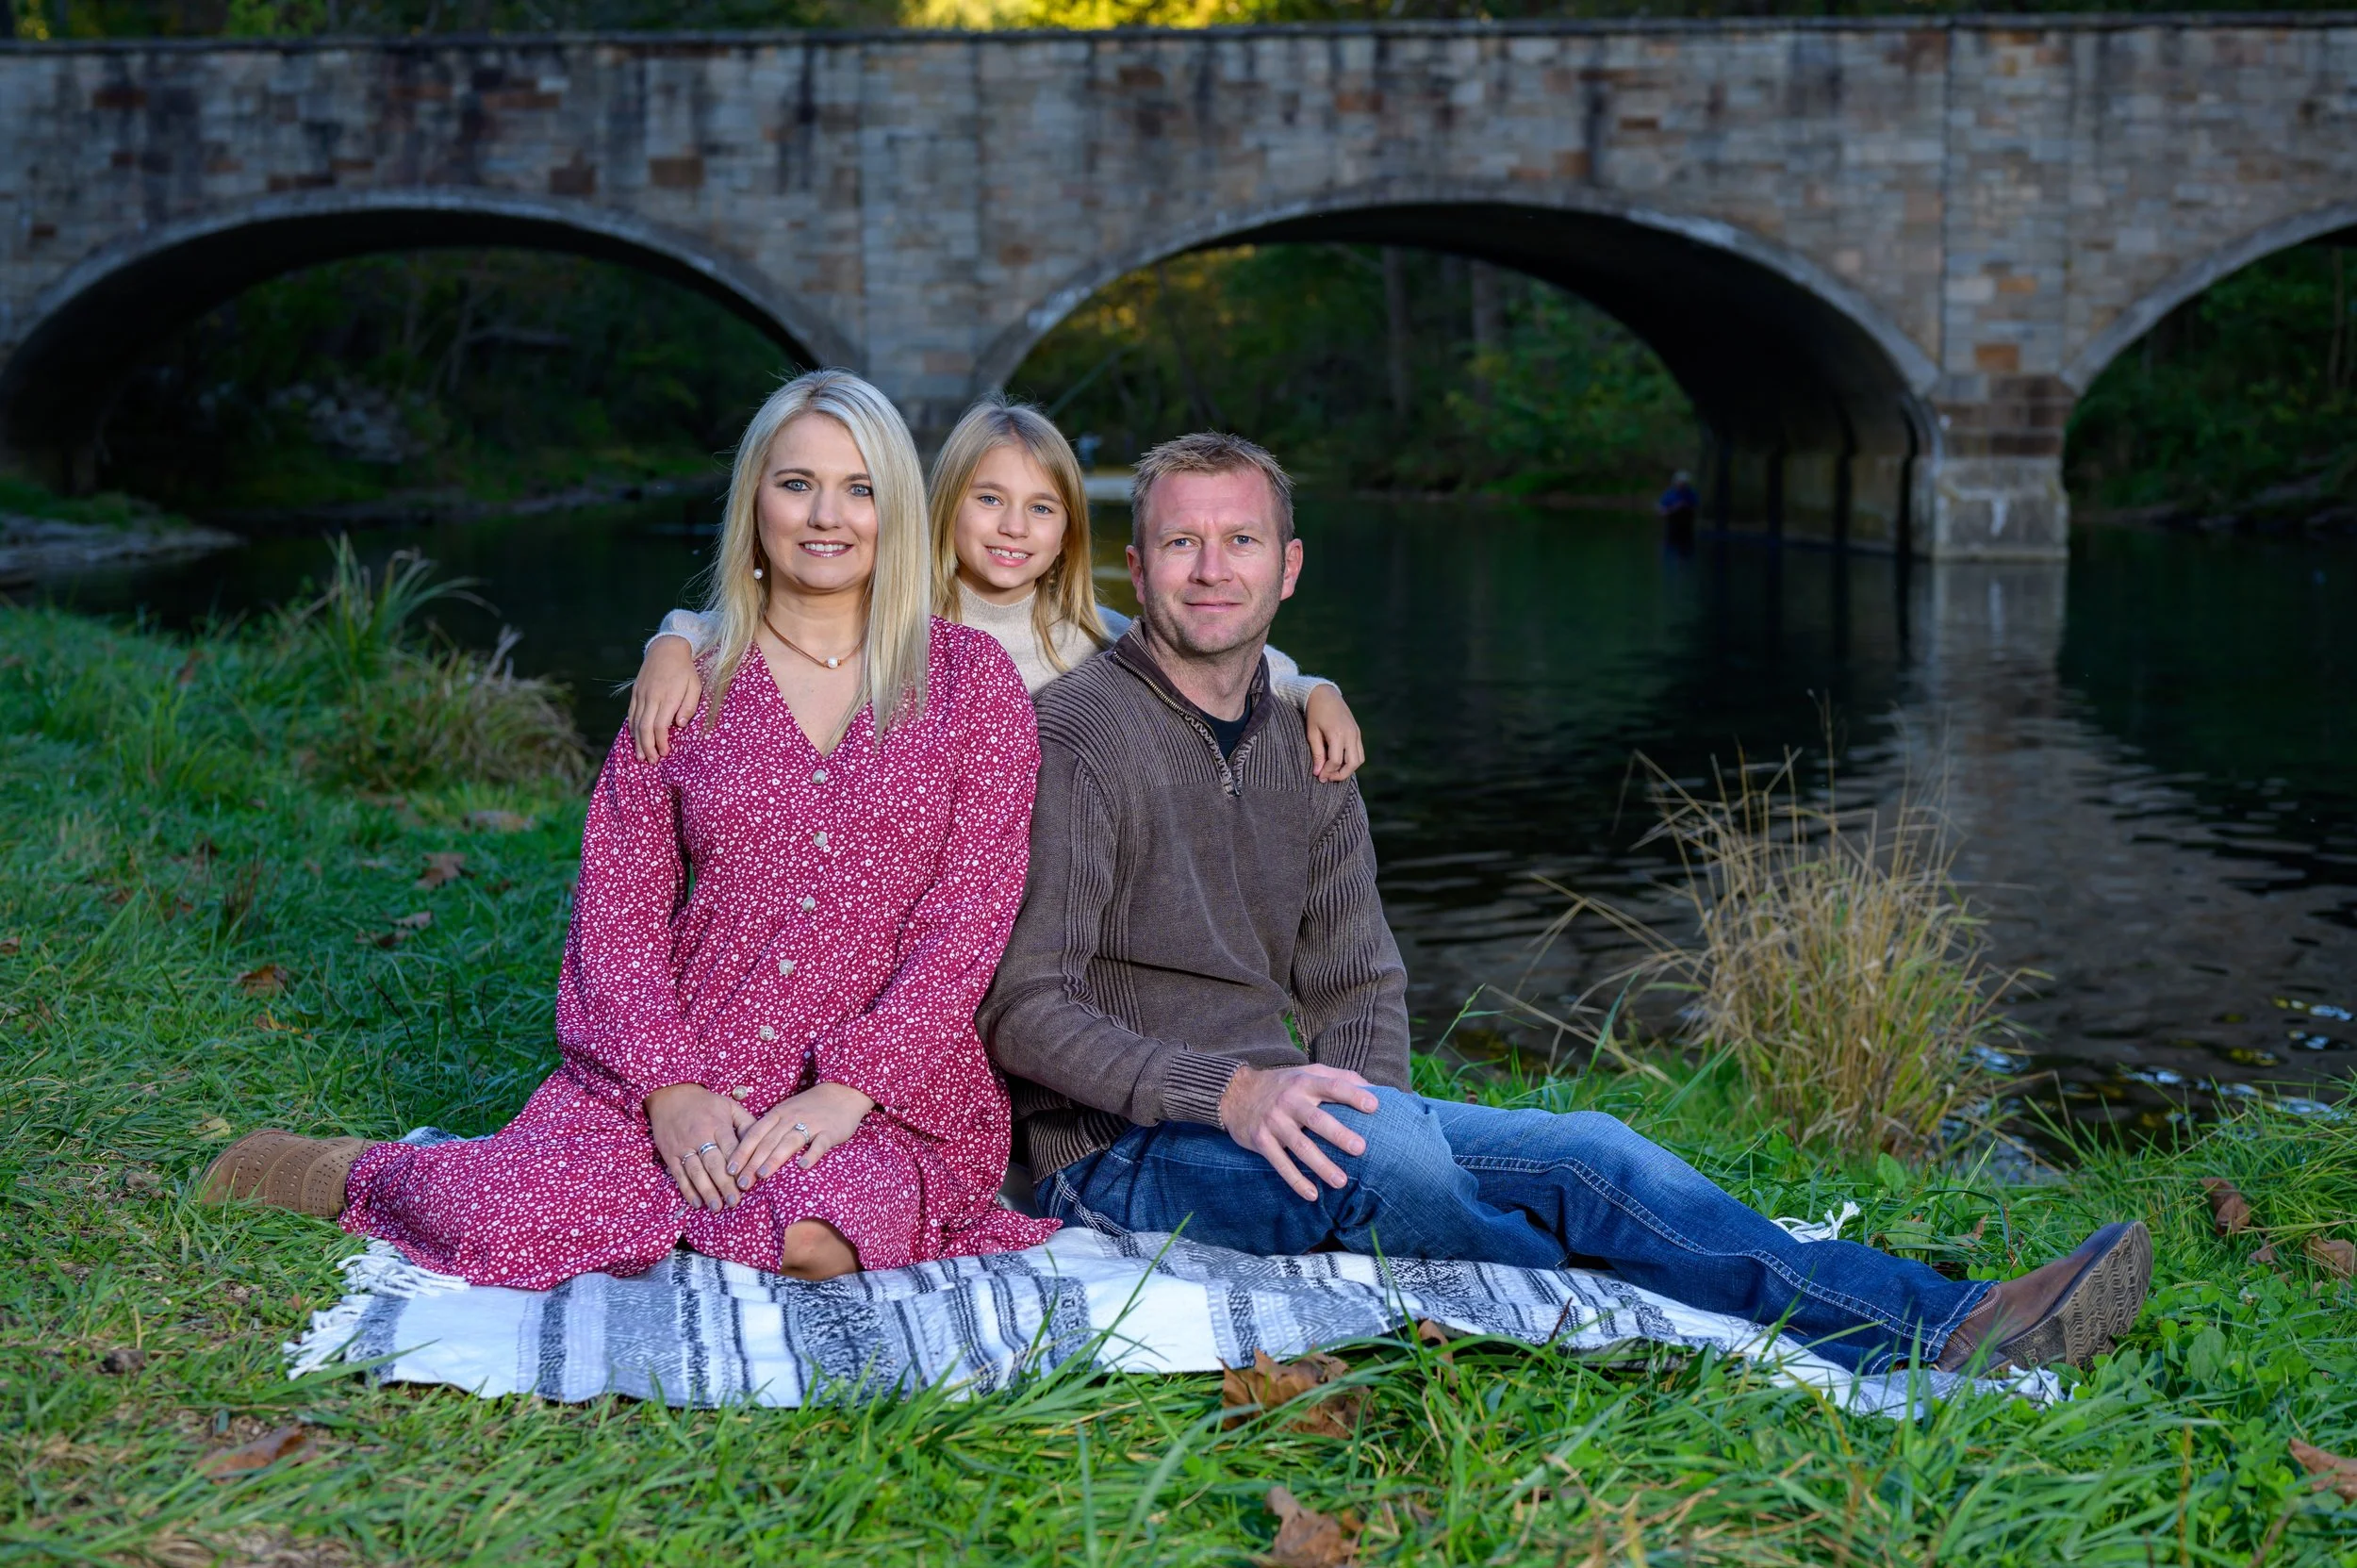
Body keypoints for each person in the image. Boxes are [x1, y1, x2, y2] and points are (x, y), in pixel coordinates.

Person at [978, 430, 2154, 1376]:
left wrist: (1380, 1110)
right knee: (1416, 1169)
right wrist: (1229, 1091)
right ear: (1135, 569)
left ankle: (1955, 1322)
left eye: (1240, 540)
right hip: (1123, 1149)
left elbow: (1353, 974)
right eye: (1180, 543)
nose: (1210, 568)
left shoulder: (1309, 740)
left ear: (1288, 566)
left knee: (1595, 1147)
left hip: (1298, 1109)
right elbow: (1027, 1007)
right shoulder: (1078, 736)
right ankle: (1635, 1293)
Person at [201, 370, 1060, 1287]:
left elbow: (969, 915)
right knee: (501, 1218)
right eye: (796, 483)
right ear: (754, 502)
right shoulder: (689, 678)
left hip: (883, 1092)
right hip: (694, 1048)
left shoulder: (969, 684)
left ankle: (631, 1205)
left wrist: (849, 1088)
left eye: (859, 489)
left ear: (894, 508)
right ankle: (354, 1168)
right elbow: (618, 907)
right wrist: (670, 1090)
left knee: (811, 1230)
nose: (827, 516)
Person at [625, 398, 1367, 784]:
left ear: (1067, 531)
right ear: (945, 505)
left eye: (1041, 509)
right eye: (988, 500)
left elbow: (1211, 658)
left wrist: (1315, 689)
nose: (1014, 527)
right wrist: (674, 638)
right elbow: (757, 615)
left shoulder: (1088, 634)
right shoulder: (897, 614)